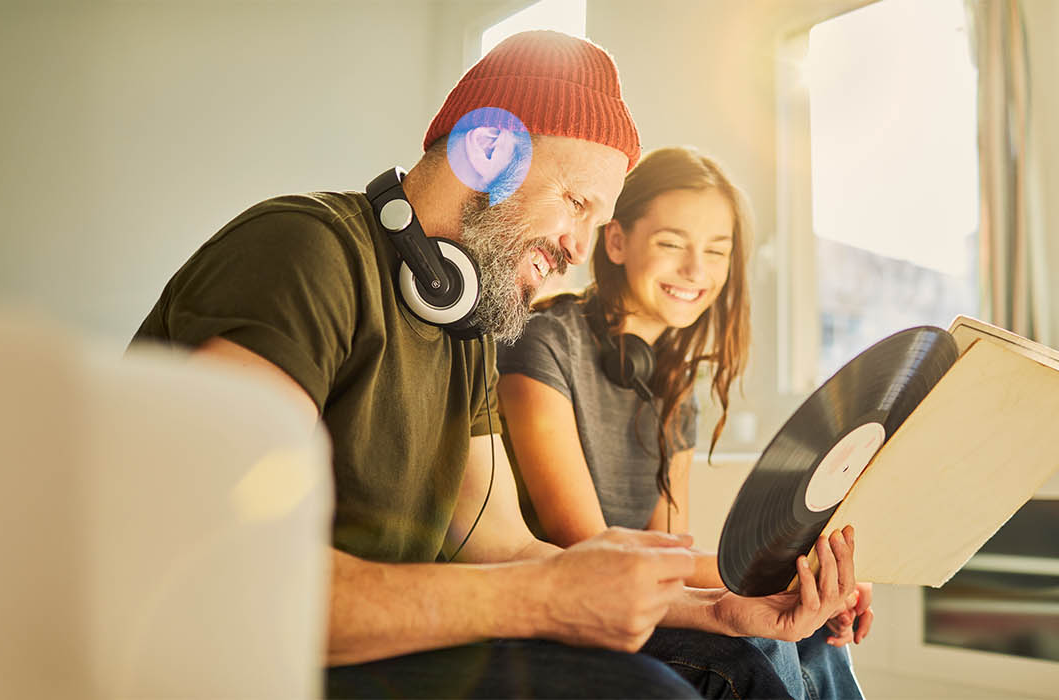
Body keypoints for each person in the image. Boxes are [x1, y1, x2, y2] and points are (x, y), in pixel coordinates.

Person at [130, 31, 861, 698]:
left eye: (594, 222)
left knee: (739, 664)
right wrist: (548, 599)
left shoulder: (469, 324)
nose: (580, 248)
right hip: (235, 663)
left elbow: (502, 546)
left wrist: (723, 610)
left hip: (370, 654)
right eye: (575, 203)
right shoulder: (302, 251)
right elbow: (231, 578)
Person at [496, 146, 871, 698]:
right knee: (754, 647)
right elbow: (588, 547)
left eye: (716, 252)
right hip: (562, 609)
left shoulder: (674, 384)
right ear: (617, 241)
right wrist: (783, 582)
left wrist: (807, 586)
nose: (697, 271)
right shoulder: (544, 343)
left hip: (631, 598)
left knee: (810, 636)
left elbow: (667, 548)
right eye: (672, 244)